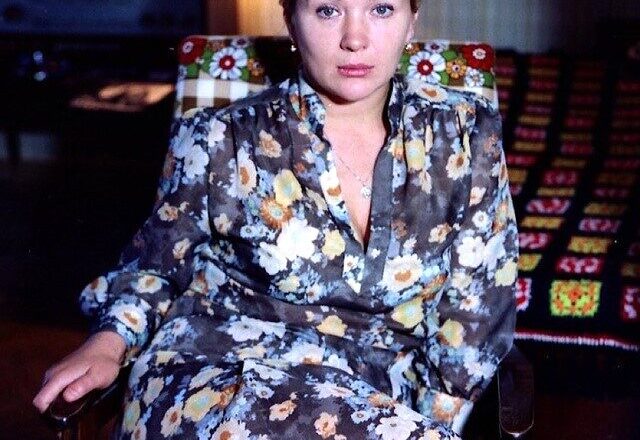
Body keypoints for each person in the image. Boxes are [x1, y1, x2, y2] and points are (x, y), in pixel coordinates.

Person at [34, 0, 518, 438]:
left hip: (376, 398)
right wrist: (108, 344)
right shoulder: (220, 137)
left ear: (412, 20)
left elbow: (476, 311)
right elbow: (155, 267)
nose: (355, 38)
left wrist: (435, 419)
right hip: (221, 379)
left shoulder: (467, 137)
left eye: (381, 9)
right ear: (290, 19)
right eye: (327, 10)